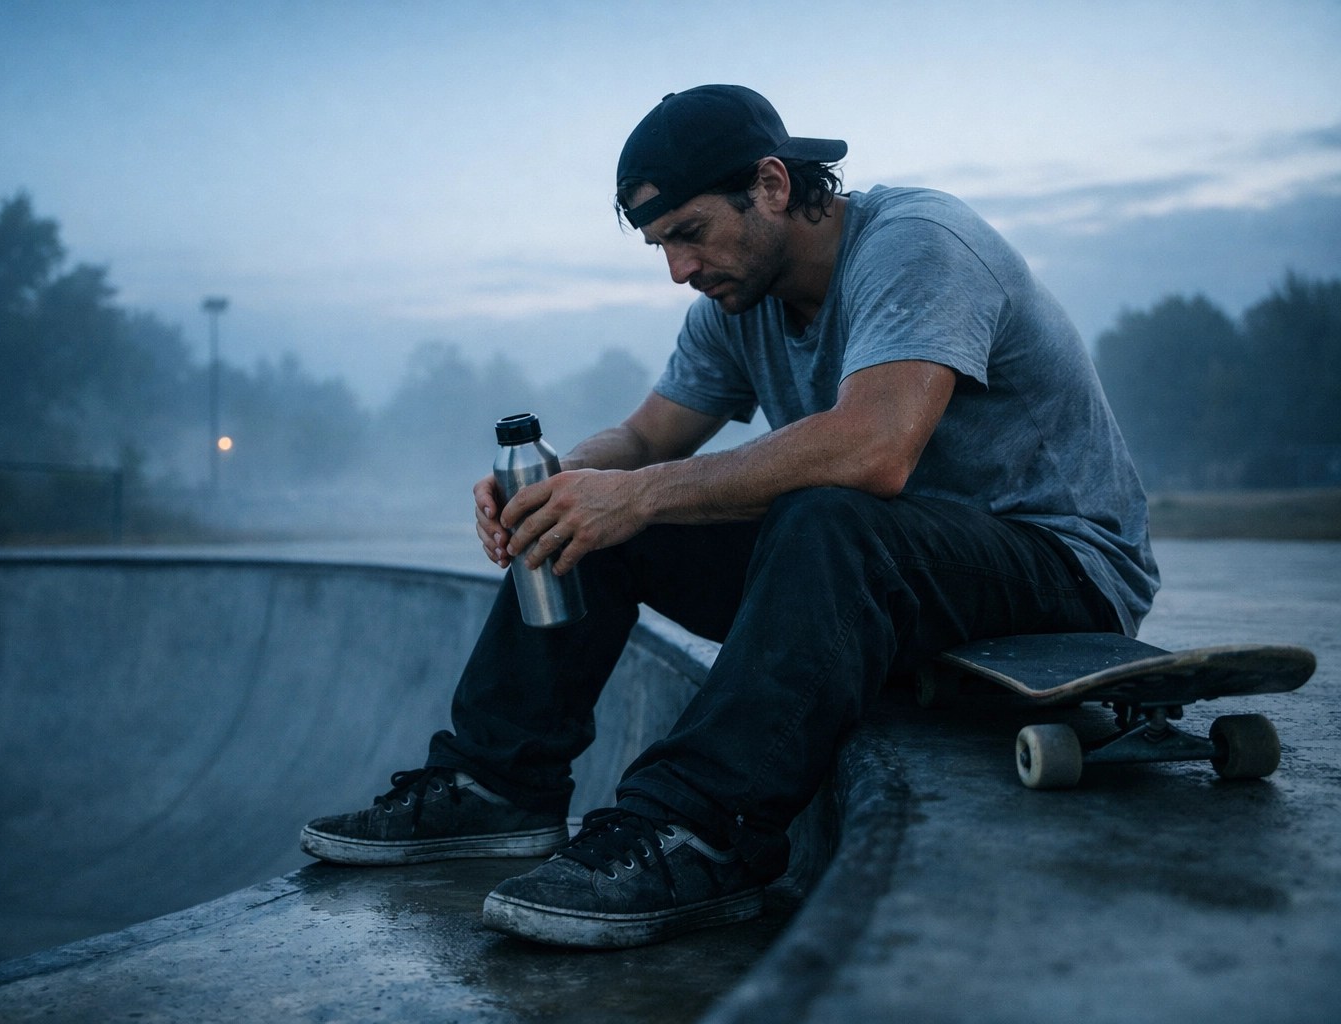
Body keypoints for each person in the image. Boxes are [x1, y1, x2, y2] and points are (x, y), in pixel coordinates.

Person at [300, 84, 1158, 949]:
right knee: (593, 522)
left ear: (775, 186)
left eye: (689, 233)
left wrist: (635, 492)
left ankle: (700, 832)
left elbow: (875, 451)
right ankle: (494, 788)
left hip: (1059, 567)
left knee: (826, 513)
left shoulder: (917, 245)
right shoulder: (737, 303)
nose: (679, 269)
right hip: (894, 582)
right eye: (659, 244)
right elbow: (643, 437)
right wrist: (559, 484)